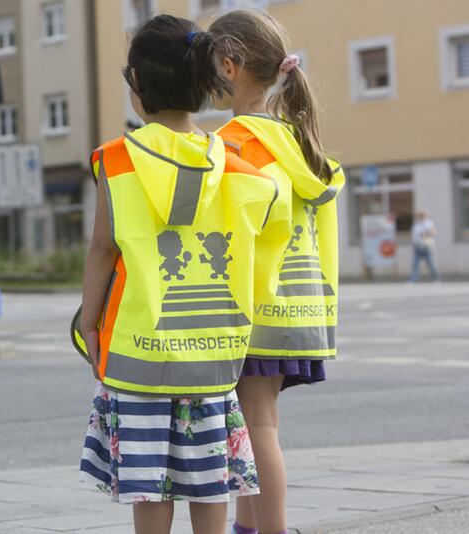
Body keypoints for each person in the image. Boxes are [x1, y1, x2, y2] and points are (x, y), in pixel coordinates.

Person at [74, 15, 283, 534]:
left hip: (138, 355)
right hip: (213, 356)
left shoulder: (117, 162)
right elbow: (265, 243)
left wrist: (89, 323)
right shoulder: (237, 169)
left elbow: (103, 252)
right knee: (211, 482)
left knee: (152, 487)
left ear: (137, 87)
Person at [209, 10, 345, 534]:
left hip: (254, 307)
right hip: (300, 305)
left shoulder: (236, 144)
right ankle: (251, 527)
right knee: (257, 424)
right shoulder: (295, 141)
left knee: (257, 428)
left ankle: (272, 529)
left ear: (228, 65)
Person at [410, 211, 441, 282]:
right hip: (417, 246)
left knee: (430, 263)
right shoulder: (416, 225)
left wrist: (424, 234)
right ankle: (413, 280)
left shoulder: (428, 223)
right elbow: (414, 236)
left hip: (426, 246)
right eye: (418, 216)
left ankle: (436, 278)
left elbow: (433, 232)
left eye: (421, 216)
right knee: (415, 264)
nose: (419, 218)